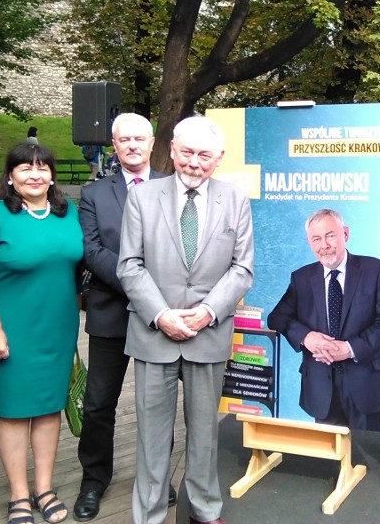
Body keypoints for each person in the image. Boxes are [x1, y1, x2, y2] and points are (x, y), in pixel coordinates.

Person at [117, 115, 254, 524]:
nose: (194, 163)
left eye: (204, 156)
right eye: (187, 153)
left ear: (219, 159)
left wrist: (208, 311)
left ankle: (204, 511)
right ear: (172, 150)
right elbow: (129, 265)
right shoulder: (142, 197)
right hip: (153, 334)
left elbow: (242, 269)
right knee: (152, 438)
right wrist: (161, 315)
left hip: (207, 333)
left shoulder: (235, 199)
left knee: (205, 436)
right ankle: (150, 515)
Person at [0, 143, 83, 524]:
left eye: (42, 168)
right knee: (15, 412)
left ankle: (45, 487)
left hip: (58, 328)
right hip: (11, 330)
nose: (34, 174)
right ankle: (19, 494)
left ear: (52, 175)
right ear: (10, 175)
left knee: (50, 408)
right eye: (25, 168)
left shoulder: (68, 213)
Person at [73, 114, 170, 522]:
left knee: (159, 405)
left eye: (138, 139)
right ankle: (94, 480)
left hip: (163, 317)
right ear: (114, 145)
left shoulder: (173, 185)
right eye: (123, 139)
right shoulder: (94, 193)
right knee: (98, 404)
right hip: (113, 312)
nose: (132, 145)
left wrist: (156, 298)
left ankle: (158, 480)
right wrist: (141, 286)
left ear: (151, 143)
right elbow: (92, 251)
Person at [267, 208, 380, 430]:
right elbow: (277, 317)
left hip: (367, 383)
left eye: (330, 235)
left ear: (345, 234)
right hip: (322, 387)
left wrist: (349, 348)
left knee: (365, 455)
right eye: (316, 239)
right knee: (330, 458)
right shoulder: (301, 278)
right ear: (309, 243)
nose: (324, 245)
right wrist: (306, 337)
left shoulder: (375, 269)